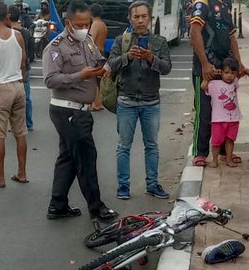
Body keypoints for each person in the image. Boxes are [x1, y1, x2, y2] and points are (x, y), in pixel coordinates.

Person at [43, 0, 118, 221]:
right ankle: (97, 207)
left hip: (81, 110)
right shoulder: (56, 47)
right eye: (80, 24)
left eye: (87, 23)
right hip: (67, 110)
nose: (84, 28)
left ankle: (57, 205)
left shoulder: (86, 41)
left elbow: (97, 58)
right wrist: (80, 76)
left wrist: (103, 68)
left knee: (68, 157)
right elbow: (50, 80)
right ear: (68, 23)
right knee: (86, 157)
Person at [107, 1, 172, 200]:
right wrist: (128, 56)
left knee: (151, 145)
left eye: (144, 16)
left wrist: (151, 58)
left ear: (150, 18)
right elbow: (111, 64)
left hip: (151, 102)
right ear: (130, 19)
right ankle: (123, 186)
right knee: (123, 146)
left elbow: (167, 68)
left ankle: (152, 184)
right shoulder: (121, 40)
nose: (141, 20)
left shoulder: (159, 41)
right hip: (126, 101)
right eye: (136, 17)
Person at [189, 0, 249, 166]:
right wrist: (204, 64)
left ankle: (226, 152)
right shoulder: (202, 4)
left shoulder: (225, 6)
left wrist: (239, 65)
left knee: (226, 112)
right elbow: (194, 32)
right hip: (205, 70)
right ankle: (200, 152)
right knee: (204, 113)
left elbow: (232, 37)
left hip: (226, 70)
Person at [0, 1, 28, 188]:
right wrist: (20, 81)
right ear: (7, 17)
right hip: (18, 86)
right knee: (20, 132)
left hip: (1, 89)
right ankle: (22, 173)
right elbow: (24, 62)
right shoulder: (18, 36)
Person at [203, 57, 242, 168]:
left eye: (232, 73)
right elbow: (203, 86)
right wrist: (210, 76)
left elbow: (240, 74)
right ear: (221, 72)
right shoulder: (214, 84)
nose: (229, 75)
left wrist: (244, 71)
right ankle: (215, 160)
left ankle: (228, 159)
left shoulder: (235, 82)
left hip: (234, 118)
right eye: (226, 72)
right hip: (218, 119)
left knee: (230, 140)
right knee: (216, 141)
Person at [9, 5, 36, 131]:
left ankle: (14, 124)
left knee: (11, 98)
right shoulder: (26, 32)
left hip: (11, 69)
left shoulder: (7, 34)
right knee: (26, 98)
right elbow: (31, 53)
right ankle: (28, 123)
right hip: (25, 68)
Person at [88, 3, 107, 111]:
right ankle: (99, 102)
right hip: (102, 53)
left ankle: (95, 103)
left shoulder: (95, 25)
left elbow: (91, 41)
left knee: (94, 80)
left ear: (91, 13)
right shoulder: (103, 24)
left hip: (96, 54)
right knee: (99, 81)